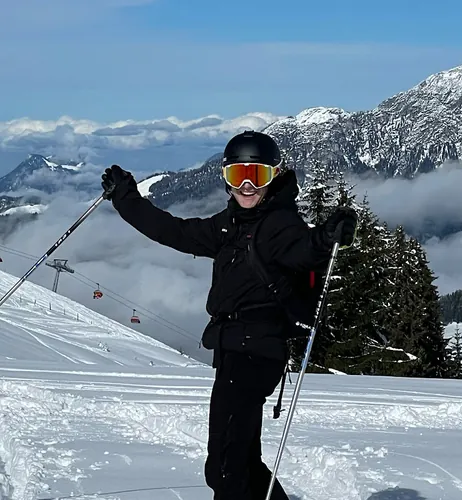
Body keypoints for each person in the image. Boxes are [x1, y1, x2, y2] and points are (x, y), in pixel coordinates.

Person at [101, 130, 357, 500]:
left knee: (225, 466)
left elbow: (304, 249)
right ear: (226, 178)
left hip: (256, 354)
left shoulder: (279, 225)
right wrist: (126, 199)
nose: (248, 186)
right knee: (242, 459)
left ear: (274, 176)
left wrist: (325, 239)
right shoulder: (230, 225)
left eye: (258, 175)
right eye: (239, 176)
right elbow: (174, 232)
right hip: (235, 351)